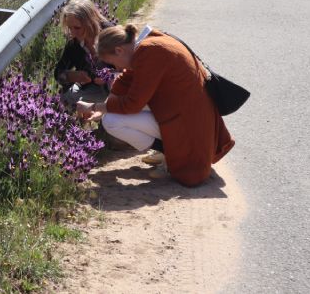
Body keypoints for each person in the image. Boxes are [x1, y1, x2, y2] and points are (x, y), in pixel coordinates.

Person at [77, 24, 235, 187]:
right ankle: (168, 150)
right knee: (112, 112)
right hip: (193, 118)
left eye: (112, 64)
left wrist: (95, 107)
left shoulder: (149, 53)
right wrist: (103, 107)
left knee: (112, 121)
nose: (116, 69)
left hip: (190, 128)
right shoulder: (146, 43)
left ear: (119, 50)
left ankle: (172, 154)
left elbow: (132, 104)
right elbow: (125, 81)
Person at [53, 0, 117, 108]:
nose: (72, 33)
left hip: (116, 88)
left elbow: (129, 68)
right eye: (69, 28)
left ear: (90, 22)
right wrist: (71, 76)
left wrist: (109, 77)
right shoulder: (74, 44)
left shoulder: (110, 34)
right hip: (92, 89)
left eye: (77, 28)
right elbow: (58, 72)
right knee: (66, 98)